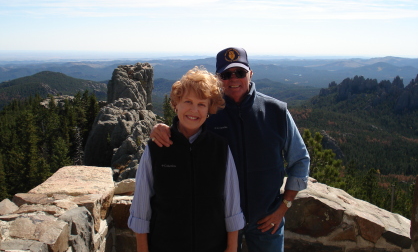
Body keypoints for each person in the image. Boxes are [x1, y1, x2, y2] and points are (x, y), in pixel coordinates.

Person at [150, 47, 310, 252]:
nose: (233, 79)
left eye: (240, 73)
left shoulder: (276, 111)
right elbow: (185, 133)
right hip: (219, 222)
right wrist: (161, 129)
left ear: (250, 74)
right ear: (218, 79)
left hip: (267, 221)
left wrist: (283, 208)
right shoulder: (210, 112)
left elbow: (300, 160)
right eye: (226, 75)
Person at [128, 66, 245, 252]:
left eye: (201, 104)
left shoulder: (220, 149)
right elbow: (141, 210)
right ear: (176, 104)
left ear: (209, 109)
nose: (194, 110)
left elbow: (232, 206)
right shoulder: (156, 148)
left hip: (212, 246)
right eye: (188, 101)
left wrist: (231, 248)